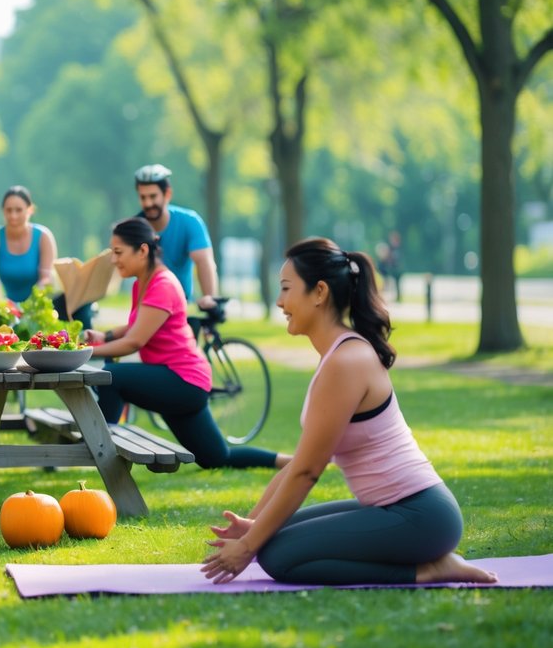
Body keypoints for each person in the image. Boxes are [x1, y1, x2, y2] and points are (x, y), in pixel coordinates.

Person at [201, 238, 497, 586]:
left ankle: (429, 569)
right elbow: (300, 463)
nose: (279, 301)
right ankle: (429, 563)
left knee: (277, 556)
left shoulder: (346, 361)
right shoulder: (338, 356)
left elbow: (309, 472)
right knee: (270, 537)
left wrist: (249, 546)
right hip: (399, 510)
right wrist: (252, 527)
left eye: (286, 288)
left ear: (319, 292)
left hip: (422, 516)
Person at [83, 218, 290, 470]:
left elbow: (135, 341)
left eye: (118, 252)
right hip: (182, 382)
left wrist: (84, 353)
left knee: (110, 376)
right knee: (215, 459)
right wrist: (106, 336)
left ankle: (101, 449)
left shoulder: (162, 284)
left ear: (143, 250)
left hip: (183, 381)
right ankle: (288, 461)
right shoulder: (143, 283)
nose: (113, 260)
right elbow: (140, 324)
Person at [0, 185, 94, 327]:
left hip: (39, 307)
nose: (13, 215)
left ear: (30, 210)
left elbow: (46, 278)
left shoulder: (43, 236)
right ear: (2, 211)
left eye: (18, 210)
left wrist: (28, 308)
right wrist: (0, 303)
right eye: (8, 210)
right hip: (8, 308)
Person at [134, 164, 218, 310]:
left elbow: (203, 261)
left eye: (153, 196)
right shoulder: (135, 228)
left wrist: (209, 299)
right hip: (147, 305)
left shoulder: (189, 222)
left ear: (167, 194)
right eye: (143, 197)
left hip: (181, 303)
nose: (148, 203)